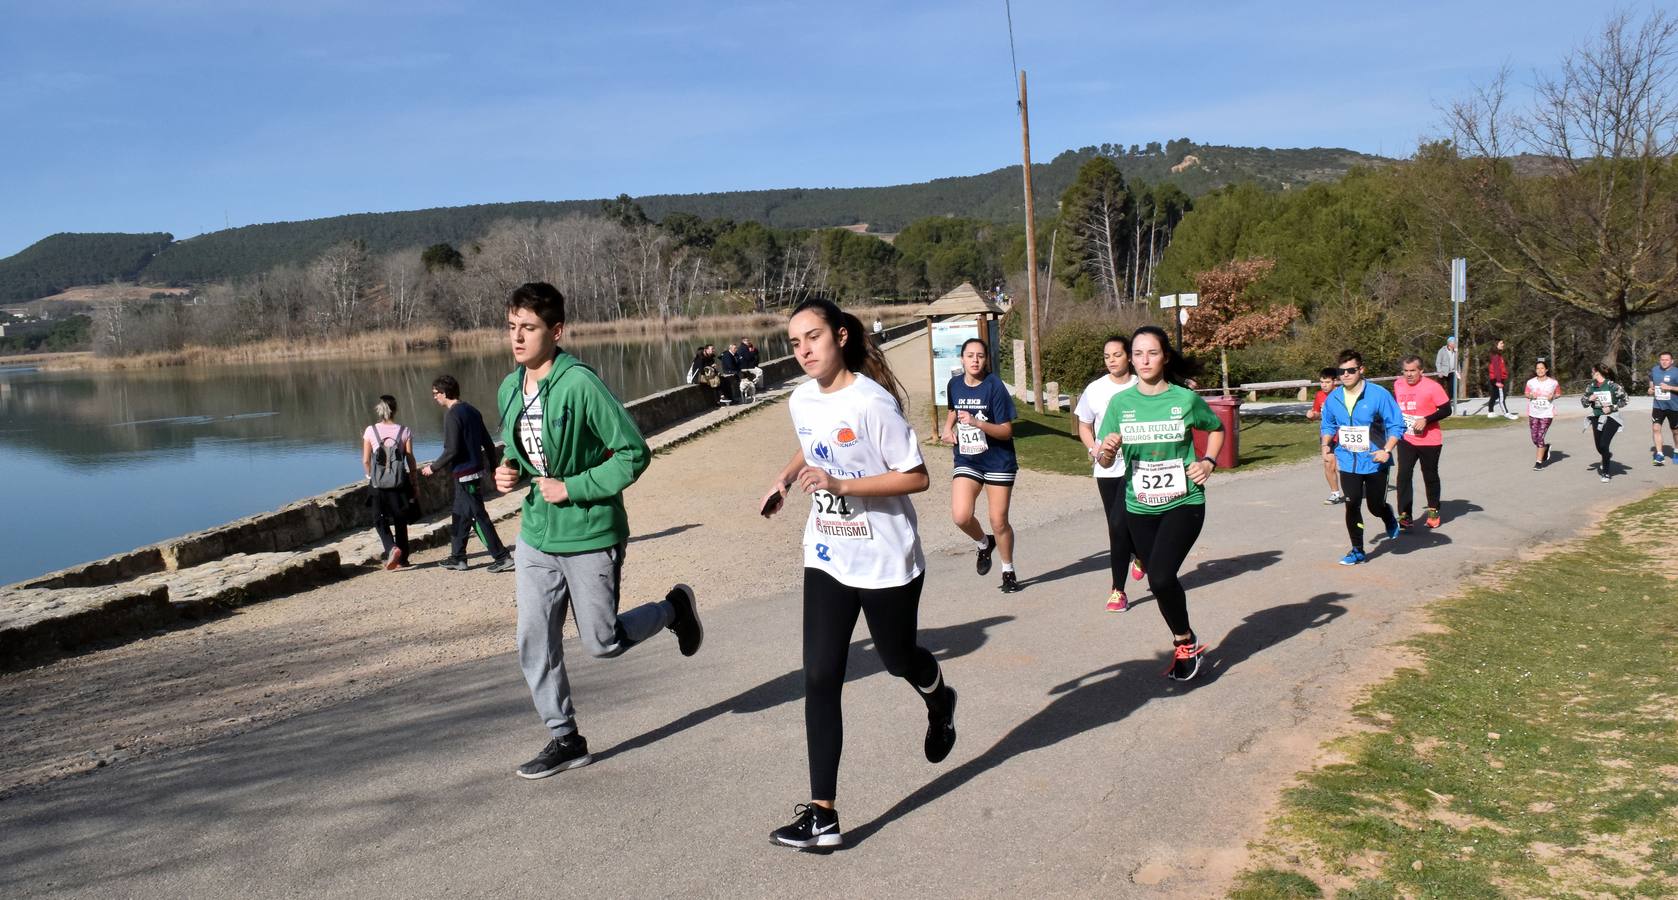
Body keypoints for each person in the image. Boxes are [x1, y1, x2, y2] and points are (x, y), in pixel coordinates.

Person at [758, 297, 956, 851]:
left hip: (886, 560)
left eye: (813, 338)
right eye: (795, 342)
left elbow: (915, 478)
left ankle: (938, 698)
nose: (803, 351)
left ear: (841, 336)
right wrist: (784, 479)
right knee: (820, 676)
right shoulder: (800, 399)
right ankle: (822, 814)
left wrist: (841, 485)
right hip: (827, 554)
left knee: (898, 660)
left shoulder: (874, 404)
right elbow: (811, 441)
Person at [492, 282, 704, 780]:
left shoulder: (580, 384)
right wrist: (510, 473)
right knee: (533, 638)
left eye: (529, 328)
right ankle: (565, 738)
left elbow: (634, 452)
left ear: (556, 331)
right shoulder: (508, 389)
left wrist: (575, 487)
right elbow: (524, 455)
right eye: (511, 327)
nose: (517, 338)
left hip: (590, 533)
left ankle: (674, 609)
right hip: (537, 536)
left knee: (602, 643)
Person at [1094, 326, 1223, 681]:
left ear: (1165, 356)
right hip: (1141, 505)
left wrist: (1208, 461)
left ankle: (1185, 645)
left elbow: (1216, 428)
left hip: (1185, 501)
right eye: (1137, 353)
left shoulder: (1185, 399)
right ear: (1131, 360)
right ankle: (1185, 639)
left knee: (1163, 575)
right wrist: (1106, 452)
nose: (1144, 360)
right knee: (1158, 582)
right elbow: (1105, 460)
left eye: (1152, 353)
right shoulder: (1121, 404)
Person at [941, 337, 1021, 593]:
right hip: (968, 458)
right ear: (962, 359)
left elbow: (1006, 432)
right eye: (970, 355)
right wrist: (946, 428)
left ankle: (1008, 570)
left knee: (998, 521)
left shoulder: (994, 386)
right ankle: (984, 543)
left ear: (986, 360)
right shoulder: (954, 384)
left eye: (980, 356)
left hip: (998, 460)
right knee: (961, 515)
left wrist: (977, 423)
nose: (975, 360)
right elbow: (954, 409)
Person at [1075, 334, 1144, 612]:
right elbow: (1084, 425)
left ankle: (1123, 582)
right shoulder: (1095, 389)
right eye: (1107, 356)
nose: (1112, 360)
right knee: (1117, 525)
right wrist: (1095, 450)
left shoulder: (1142, 384)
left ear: (1128, 356)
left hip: (1138, 465)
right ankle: (1131, 570)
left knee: (1124, 524)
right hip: (1106, 466)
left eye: (1117, 354)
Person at [1318, 350, 1404, 565]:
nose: (1345, 375)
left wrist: (1387, 450)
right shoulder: (1334, 397)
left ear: (1361, 370)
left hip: (1375, 461)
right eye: (1341, 371)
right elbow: (1328, 423)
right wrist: (1325, 445)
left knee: (1374, 507)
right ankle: (1358, 550)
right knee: (1352, 503)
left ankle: (1387, 514)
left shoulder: (1378, 394)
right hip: (1347, 460)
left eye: (1351, 370)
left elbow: (1396, 424)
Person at [422, 375, 514, 573]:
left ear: (444, 393)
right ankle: (458, 558)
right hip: (475, 471)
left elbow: (452, 450)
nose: (434, 397)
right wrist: (493, 467)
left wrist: (433, 467)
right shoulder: (472, 411)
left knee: (478, 516)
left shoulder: (452, 415)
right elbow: (488, 444)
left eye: (435, 394)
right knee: (460, 514)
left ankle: (502, 557)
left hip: (464, 474)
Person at [1393, 356, 1452, 530]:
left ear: (1421, 371)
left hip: (1430, 440)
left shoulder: (1433, 387)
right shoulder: (1398, 385)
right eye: (1406, 371)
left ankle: (1433, 510)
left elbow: (1446, 409)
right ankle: (1405, 515)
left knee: (1430, 474)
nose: (1409, 374)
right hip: (1406, 438)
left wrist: (1426, 420)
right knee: (1403, 475)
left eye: (1413, 371)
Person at [361, 394, 418, 570]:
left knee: (378, 519)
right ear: (395, 410)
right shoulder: (404, 431)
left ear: (379, 410)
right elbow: (409, 458)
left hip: (378, 485)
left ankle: (391, 547)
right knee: (400, 520)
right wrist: (414, 481)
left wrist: (371, 477)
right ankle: (403, 559)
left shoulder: (371, 430)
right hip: (399, 483)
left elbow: (366, 460)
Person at [1582, 363, 1629, 483]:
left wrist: (1611, 407)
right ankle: (1607, 456)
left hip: (1612, 417)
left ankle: (1606, 473)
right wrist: (1589, 399)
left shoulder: (1612, 386)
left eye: (1592, 372)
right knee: (1600, 448)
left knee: (1604, 444)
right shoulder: (1591, 386)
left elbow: (1625, 400)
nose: (1591, 374)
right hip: (1596, 417)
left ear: (1598, 372)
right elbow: (1583, 403)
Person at [1306, 367, 1344, 505]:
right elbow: (1318, 413)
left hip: (1344, 434)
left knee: (1345, 466)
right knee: (1328, 463)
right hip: (1328, 435)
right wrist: (1312, 415)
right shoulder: (1319, 395)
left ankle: (1356, 488)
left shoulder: (1343, 394)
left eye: (1327, 382)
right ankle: (1335, 494)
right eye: (1322, 382)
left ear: (1335, 381)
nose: (1324, 385)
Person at [1525, 359, 1560, 469]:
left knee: (1540, 436)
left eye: (1542, 368)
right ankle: (1545, 447)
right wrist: (1531, 396)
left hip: (1547, 413)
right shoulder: (1530, 382)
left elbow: (1559, 393)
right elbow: (1526, 393)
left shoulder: (1553, 382)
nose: (1540, 370)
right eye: (1538, 368)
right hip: (1534, 412)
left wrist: (1553, 397)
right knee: (1534, 438)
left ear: (1546, 369)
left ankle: (1539, 462)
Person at [1649, 350, 1677, 465]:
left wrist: (1669, 387)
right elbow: (1651, 380)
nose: (1664, 362)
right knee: (1656, 428)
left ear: (1672, 361)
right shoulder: (1655, 370)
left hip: (1674, 407)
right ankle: (1659, 454)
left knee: (1675, 432)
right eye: (1662, 360)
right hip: (1658, 405)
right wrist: (1650, 389)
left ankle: (1676, 450)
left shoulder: (1676, 372)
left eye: (1666, 360)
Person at [1478, 339, 1517, 418]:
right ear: (1496, 345)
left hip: (1497, 379)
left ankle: (1490, 412)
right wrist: (1498, 382)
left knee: (1494, 395)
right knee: (1502, 397)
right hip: (1497, 379)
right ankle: (1506, 413)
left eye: (1503, 343)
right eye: (1501, 343)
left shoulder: (1498, 355)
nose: (1503, 344)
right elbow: (1496, 370)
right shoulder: (1495, 356)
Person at [1435, 336, 1460, 411]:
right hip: (1443, 372)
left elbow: (1457, 362)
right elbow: (1438, 362)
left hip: (1452, 372)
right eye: (1454, 343)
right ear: (1449, 343)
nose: (1455, 344)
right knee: (1441, 388)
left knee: (1451, 388)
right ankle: (1439, 402)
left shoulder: (1456, 351)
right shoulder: (1442, 350)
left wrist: (1458, 371)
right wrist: (1439, 371)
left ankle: (1448, 402)